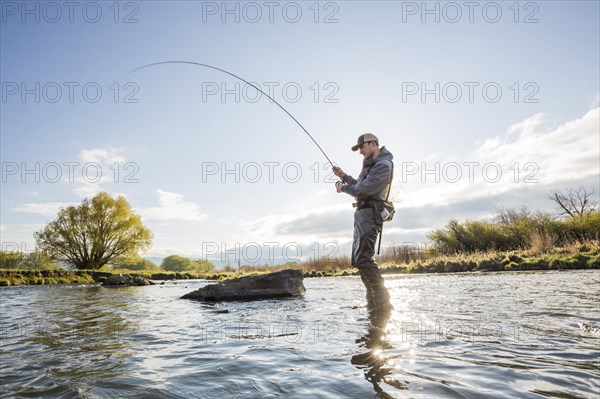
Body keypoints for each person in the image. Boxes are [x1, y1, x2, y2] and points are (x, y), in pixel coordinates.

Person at [332, 133, 394, 314]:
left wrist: (343, 188)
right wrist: (343, 176)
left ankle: (383, 303)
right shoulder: (372, 165)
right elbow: (359, 184)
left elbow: (364, 189)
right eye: (359, 148)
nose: (360, 151)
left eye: (362, 147)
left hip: (370, 215)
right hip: (362, 216)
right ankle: (373, 302)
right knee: (359, 260)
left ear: (373, 143)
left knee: (365, 259)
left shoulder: (383, 165)